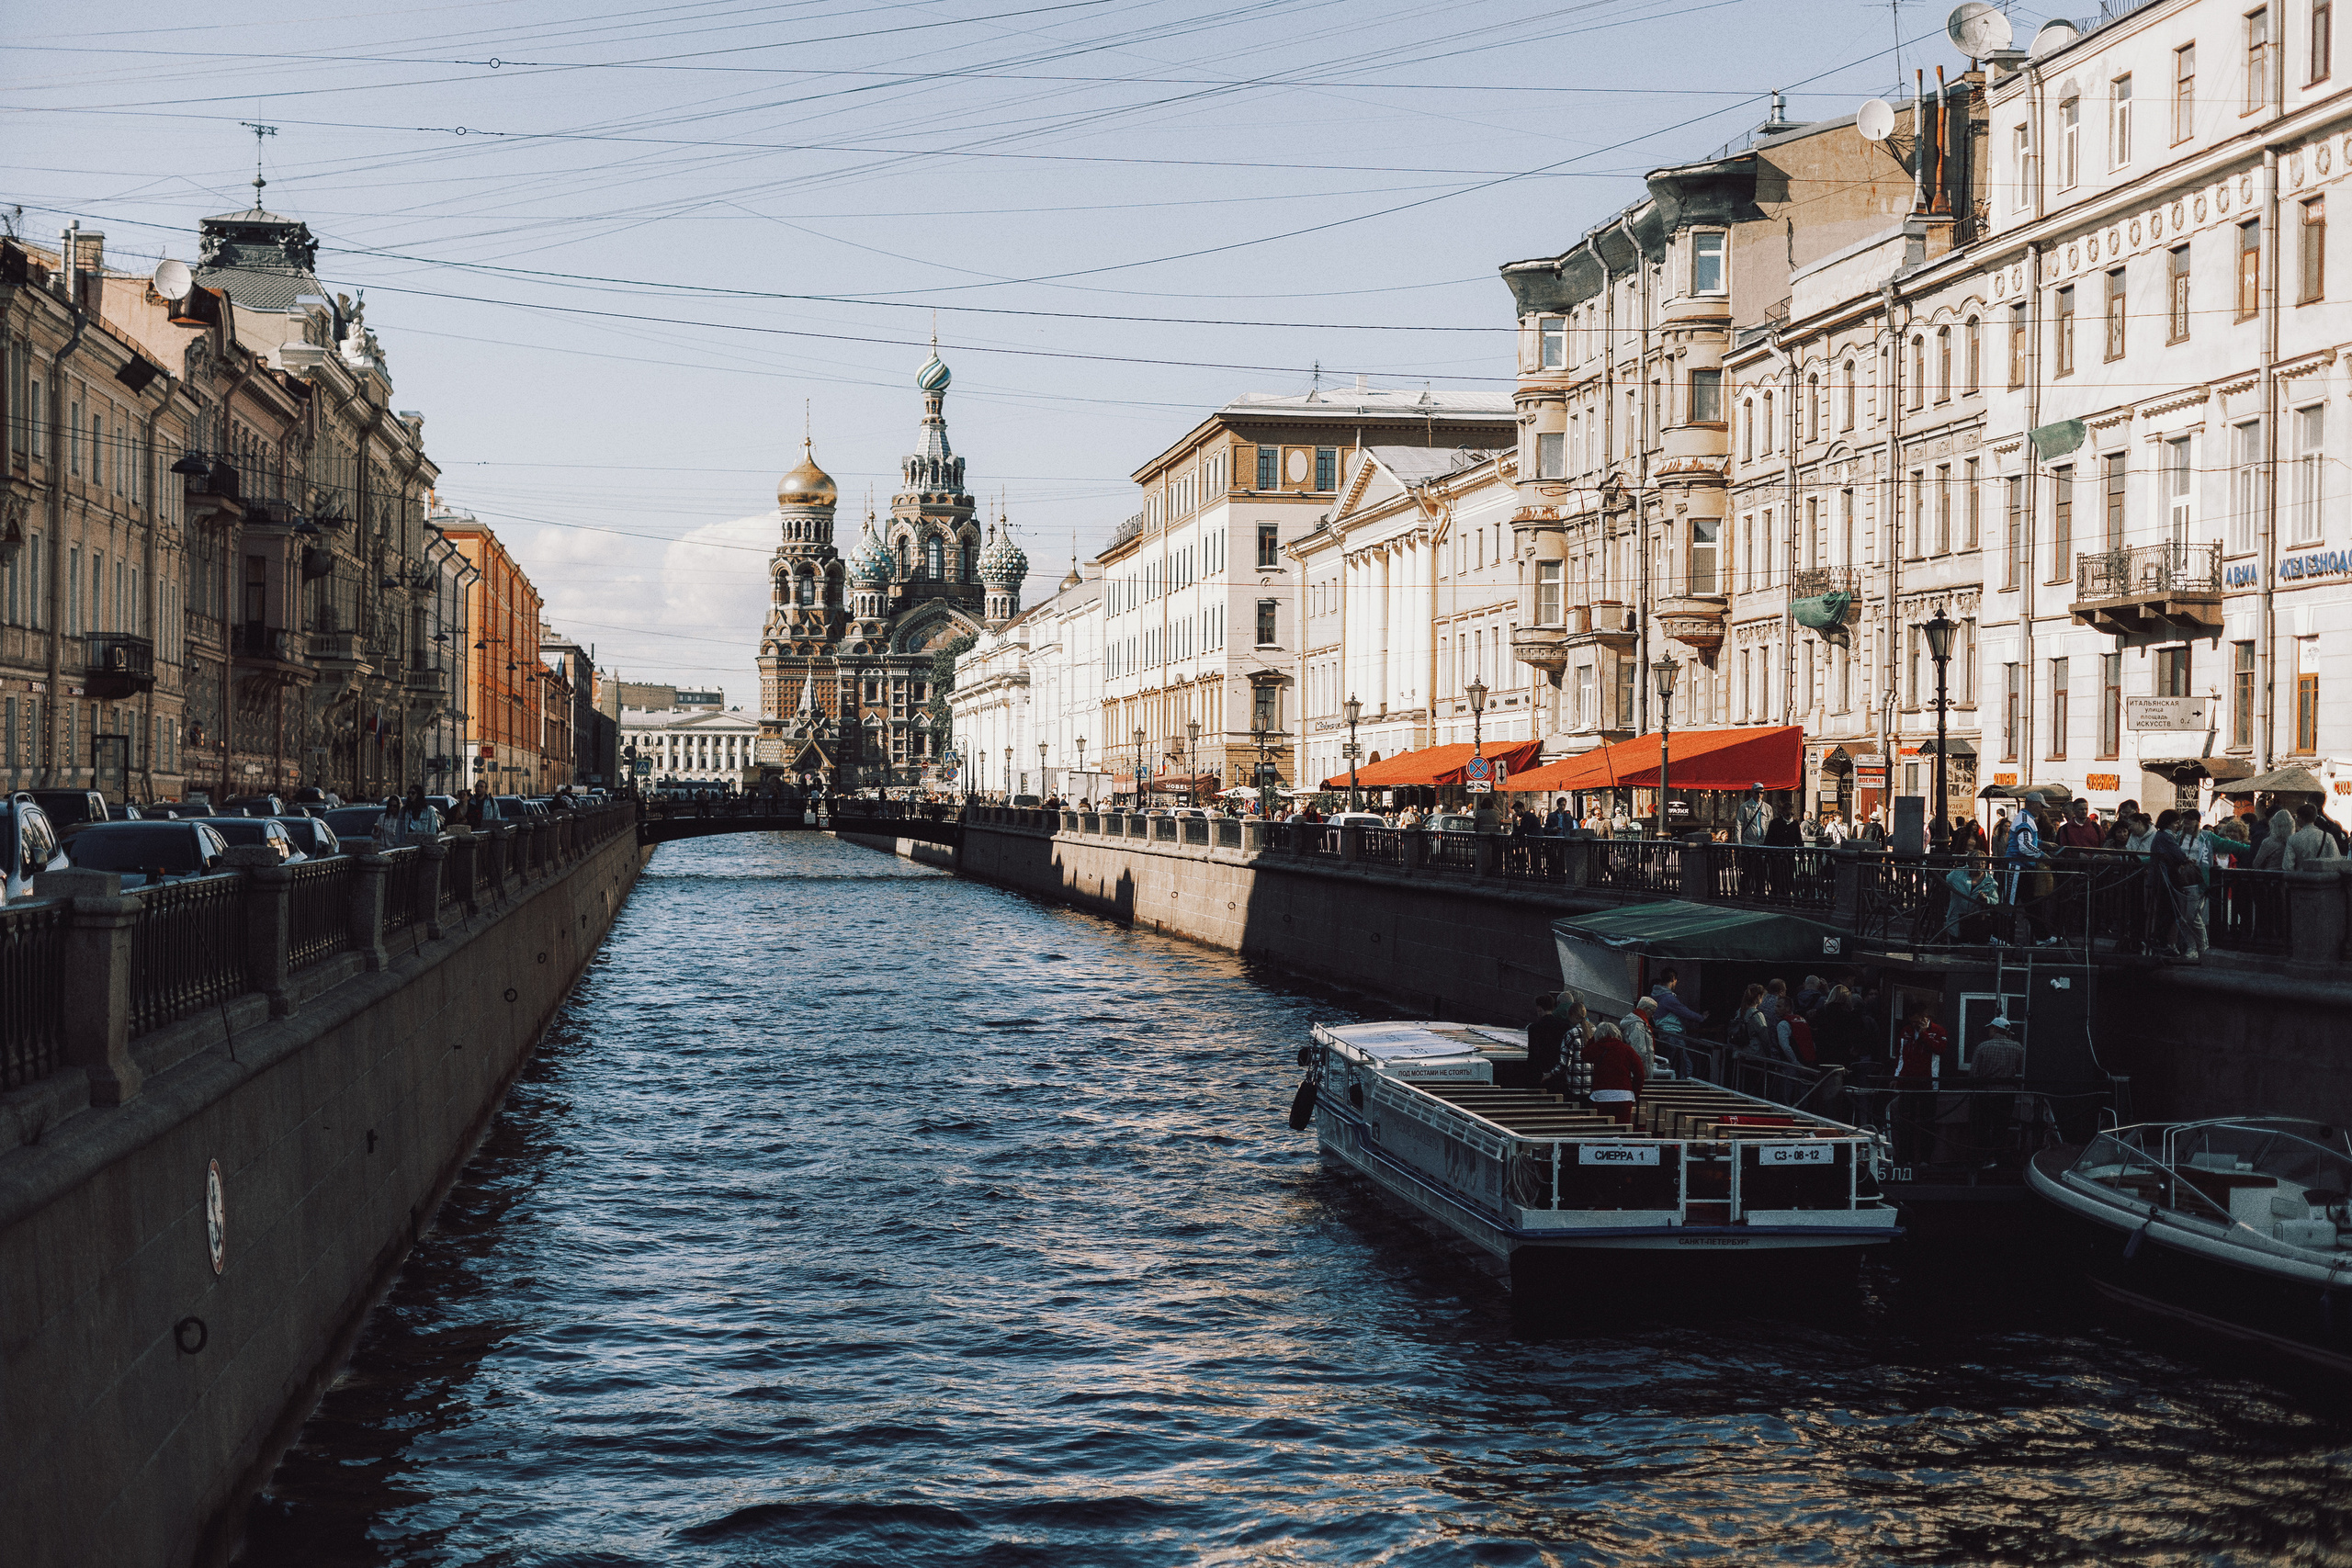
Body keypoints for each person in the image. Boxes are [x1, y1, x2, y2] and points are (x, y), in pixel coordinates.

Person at [1581, 1021, 1648, 1125]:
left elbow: (1584, 1054)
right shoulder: (1627, 1050)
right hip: (1624, 1095)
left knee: (1603, 1130)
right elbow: (1640, 1074)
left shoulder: (1596, 1048)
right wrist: (1634, 1093)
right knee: (1622, 1130)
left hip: (1601, 1094)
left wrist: (1594, 1039)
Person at [1941, 850, 2000, 943]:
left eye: (1983, 863)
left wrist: (1986, 899)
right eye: (1976, 863)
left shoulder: (1990, 882)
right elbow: (1944, 881)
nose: (1980, 865)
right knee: (1955, 946)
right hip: (1956, 920)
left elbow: (1996, 901)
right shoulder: (1958, 874)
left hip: (1977, 923)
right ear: (1970, 863)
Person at [1523, 992, 1569, 1089]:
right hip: (1558, 1073)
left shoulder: (1534, 1028)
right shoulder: (1564, 1027)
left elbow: (1533, 1053)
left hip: (1539, 1073)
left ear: (1539, 1008)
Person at [2285, 801, 2346, 871]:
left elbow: (2288, 866)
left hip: (2301, 878)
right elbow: (2336, 861)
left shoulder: (2292, 839)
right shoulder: (2328, 837)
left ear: (2301, 818)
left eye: (2297, 817)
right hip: (2323, 879)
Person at [1650, 967, 1707, 1033]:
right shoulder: (1668, 998)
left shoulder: (1656, 994)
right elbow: (1685, 1012)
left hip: (1662, 1030)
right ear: (1673, 978)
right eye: (1676, 979)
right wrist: (1701, 1018)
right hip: (1672, 1032)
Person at [1619, 996, 1659, 1073]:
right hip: (1639, 1070)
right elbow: (1639, 1051)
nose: (1652, 1016)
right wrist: (1644, 1071)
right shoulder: (1638, 1025)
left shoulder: (1635, 1022)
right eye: (1652, 1012)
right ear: (1646, 1009)